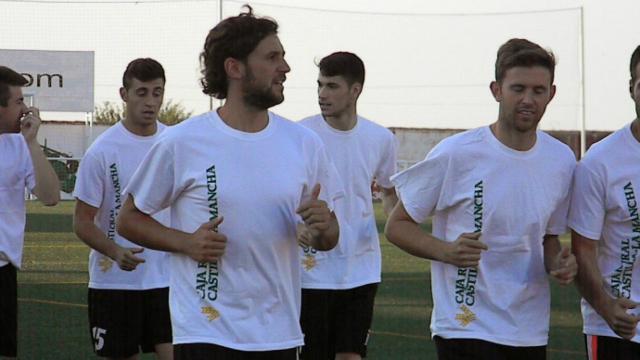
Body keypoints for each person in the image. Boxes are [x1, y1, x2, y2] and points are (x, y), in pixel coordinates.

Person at [116, 6, 343, 360]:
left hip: (279, 335)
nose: (285, 68)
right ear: (235, 68)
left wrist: (323, 227)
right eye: (272, 57)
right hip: (205, 332)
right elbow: (127, 218)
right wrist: (186, 242)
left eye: (283, 57)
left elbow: (328, 238)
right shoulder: (183, 141)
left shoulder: (304, 143)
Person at [384, 38, 578, 360]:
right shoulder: (457, 153)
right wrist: (446, 251)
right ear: (496, 90)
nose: (528, 99)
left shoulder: (561, 161)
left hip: (528, 329)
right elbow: (397, 225)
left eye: (538, 91)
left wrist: (559, 262)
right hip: (465, 326)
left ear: (552, 94)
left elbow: (548, 239)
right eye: (518, 89)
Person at [297, 51, 397, 360]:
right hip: (311, 272)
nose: (322, 94)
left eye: (331, 86)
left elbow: (389, 192)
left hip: (361, 270)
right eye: (319, 85)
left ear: (355, 90)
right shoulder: (300, 134)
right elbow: (281, 195)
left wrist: (399, 225)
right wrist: (299, 227)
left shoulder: (380, 138)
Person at [73, 58, 172, 360]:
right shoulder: (102, 151)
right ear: (124, 94)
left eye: (157, 92)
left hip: (168, 281)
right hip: (115, 283)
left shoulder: (174, 143)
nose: (150, 102)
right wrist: (115, 251)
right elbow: (83, 221)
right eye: (141, 92)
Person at [569, 45, 640, 360]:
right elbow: (583, 249)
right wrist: (605, 306)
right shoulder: (600, 162)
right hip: (619, 327)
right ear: (631, 88)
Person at [0, 66, 60, 359]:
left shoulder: (20, 145)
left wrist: (32, 142)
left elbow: (50, 196)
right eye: (19, 101)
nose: (27, 109)